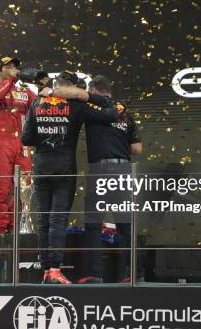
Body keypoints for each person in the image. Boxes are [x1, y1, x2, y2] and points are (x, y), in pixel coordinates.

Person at [22, 71, 121, 284]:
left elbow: (26, 138)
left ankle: (47, 269)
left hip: (41, 167)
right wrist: (88, 97)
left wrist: (46, 133)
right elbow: (112, 113)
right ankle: (56, 270)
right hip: (64, 169)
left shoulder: (37, 103)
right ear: (73, 88)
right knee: (57, 219)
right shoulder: (77, 106)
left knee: (43, 219)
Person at [78, 75, 142, 284]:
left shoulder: (91, 110)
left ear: (94, 91)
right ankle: (131, 273)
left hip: (100, 169)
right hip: (123, 169)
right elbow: (137, 149)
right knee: (125, 224)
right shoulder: (126, 115)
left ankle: (95, 274)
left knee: (94, 224)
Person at [0, 56, 37, 234]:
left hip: (23, 145)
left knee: (26, 187)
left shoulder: (24, 91)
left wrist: (43, 90)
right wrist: (11, 79)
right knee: (3, 187)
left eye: (15, 66)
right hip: (2, 143)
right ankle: (1, 229)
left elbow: (38, 107)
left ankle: (17, 226)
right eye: (9, 66)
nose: (13, 68)